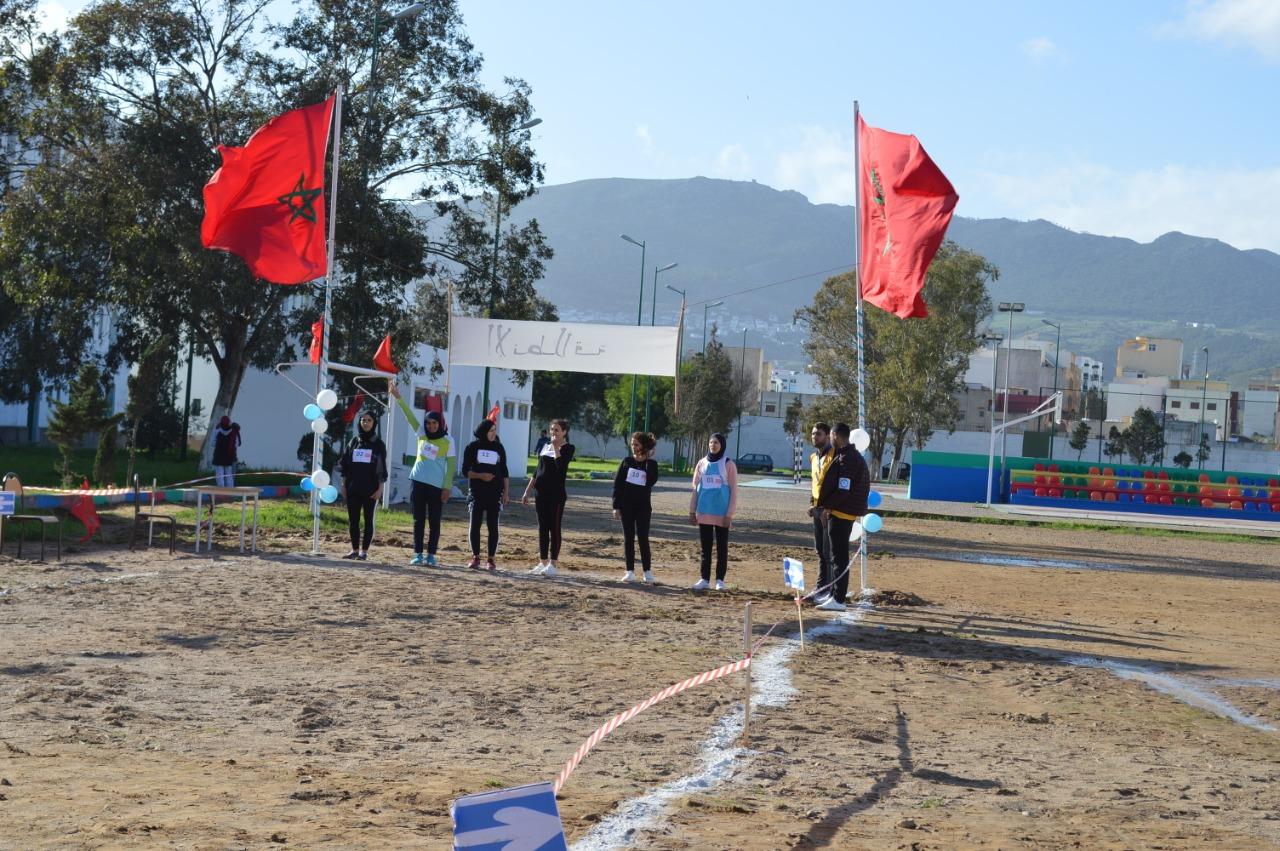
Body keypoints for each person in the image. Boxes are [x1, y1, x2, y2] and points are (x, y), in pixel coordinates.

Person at [390, 383, 455, 567]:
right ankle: (417, 553)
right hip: (418, 482)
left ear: (440, 423)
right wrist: (398, 397)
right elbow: (409, 416)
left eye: (434, 423)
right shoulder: (421, 433)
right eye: (428, 423)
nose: (431, 426)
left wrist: (447, 487)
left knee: (434, 521)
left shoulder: (448, 440)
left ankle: (431, 555)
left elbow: (450, 465)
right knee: (418, 520)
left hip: (436, 486)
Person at [814, 422, 870, 611]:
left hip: (841, 513)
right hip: (840, 511)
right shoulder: (846, 456)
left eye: (830, 435)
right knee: (835, 555)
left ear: (836, 436)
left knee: (838, 557)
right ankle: (833, 595)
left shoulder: (848, 458)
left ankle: (838, 599)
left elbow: (843, 490)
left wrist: (828, 507)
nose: (830, 439)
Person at [521, 419, 575, 576]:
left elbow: (561, 467)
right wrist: (527, 491)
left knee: (554, 528)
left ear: (564, 432)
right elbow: (537, 471)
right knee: (542, 528)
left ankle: (553, 563)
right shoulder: (545, 447)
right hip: (541, 494)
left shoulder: (568, 448)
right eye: (552, 430)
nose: (553, 433)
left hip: (556, 495)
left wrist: (557, 448)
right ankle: (542, 561)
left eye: (557, 430)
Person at [688, 432, 738, 590]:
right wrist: (692, 511)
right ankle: (704, 579)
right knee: (705, 547)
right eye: (711, 442)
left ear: (722, 445)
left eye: (716, 442)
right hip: (704, 512)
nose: (713, 445)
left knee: (722, 547)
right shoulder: (701, 463)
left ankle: (719, 580)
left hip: (722, 514)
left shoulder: (728, 464)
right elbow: (695, 489)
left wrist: (729, 514)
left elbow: (734, 491)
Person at [338, 409, 388, 560]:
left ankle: (364, 552)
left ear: (374, 423)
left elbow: (381, 468)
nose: (366, 423)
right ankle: (354, 550)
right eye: (363, 420)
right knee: (353, 520)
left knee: (368, 520)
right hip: (353, 488)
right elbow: (345, 465)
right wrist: (344, 484)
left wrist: (380, 488)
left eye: (369, 420)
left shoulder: (378, 444)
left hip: (371, 490)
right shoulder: (353, 442)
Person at [461, 418, 509, 570]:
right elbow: (465, 471)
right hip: (477, 491)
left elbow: (504, 472)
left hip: (495, 492)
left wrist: (506, 492)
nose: (494, 433)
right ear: (483, 431)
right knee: (475, 524)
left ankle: (491, 559)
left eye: (495, 430)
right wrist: (481, 476)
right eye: (491, 430)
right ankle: (475, 557)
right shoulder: (472, 447)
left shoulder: (499, 447)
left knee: (493, 526)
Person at [613, 431, 660, 584]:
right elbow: (618, 485)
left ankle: (647, 571)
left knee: (643, 537)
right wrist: (616, 506)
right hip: (626, 506)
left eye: (636, 444)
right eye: (632, 444)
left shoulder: (651, 464)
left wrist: (646, 460)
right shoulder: (626, 461)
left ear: (644, 446)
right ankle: (630, 571)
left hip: (643, 507)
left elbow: (651, 481)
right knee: (628, 538)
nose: (633, 447)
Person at [807, 422, 835, 603]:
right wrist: (812, 503)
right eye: (813, 433)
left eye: (818, 434)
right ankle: (821, 585)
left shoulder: (835, 456)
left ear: (827, 436)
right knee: (819, 550)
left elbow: (834, 485)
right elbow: (816, 484)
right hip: (817, 509)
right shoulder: (813, 457)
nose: (814, 436)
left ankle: (830, 588)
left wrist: (828, 508)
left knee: (828, 552)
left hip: (829, 511)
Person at [212, 415, 240, 487]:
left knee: (219, 474)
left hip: (218, 455)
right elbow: (236, 444)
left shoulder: (217, 431)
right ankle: (230, 490)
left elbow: (212, 443)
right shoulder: (233, 431)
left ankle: (221, 489)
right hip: (229, 455)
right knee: (229, 474)